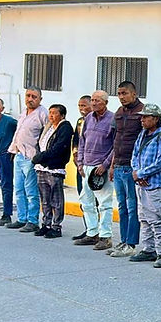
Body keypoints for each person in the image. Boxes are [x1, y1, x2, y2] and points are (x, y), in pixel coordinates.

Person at [129, 104, 161, 268]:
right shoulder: (143, 134)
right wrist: (136, 172)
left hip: (156, 185)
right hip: (141, 184)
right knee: (144, 218)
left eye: (146, 117)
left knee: (157, 220)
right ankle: (148, 249)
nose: (142, 119)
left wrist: (141, 174)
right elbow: (134, 155)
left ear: (155, 119)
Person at [75, 90, 115, 251]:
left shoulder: (112, 119)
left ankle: (105, 236)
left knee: (104, 203)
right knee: (86, 201)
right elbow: (82, 141)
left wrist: (105, 165)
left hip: (101, 168)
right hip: (87, 165)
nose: (93, 103)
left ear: (105, 102)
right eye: (92, 100)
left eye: (97, 100)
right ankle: (92, 233)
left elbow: (115, 145)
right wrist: (80, 162)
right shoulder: (88, 119)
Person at [108, 81, 145, 258]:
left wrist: (140, 169)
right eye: (119, 94)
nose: (121, 97)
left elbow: (145, 141)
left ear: (134, 94)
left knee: (132, 207)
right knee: (122, 206)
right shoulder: (119, 112)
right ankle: (123, 241)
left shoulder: (142, 112)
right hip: (119, 165)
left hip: (132, 167)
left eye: (124, 93)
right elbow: (116, 139)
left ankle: (131, 244)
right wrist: (112, 165)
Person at [6, 87, 49, 232]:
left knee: (31, 190)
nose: (30, 99)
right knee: (19, 189)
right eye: (28, 96)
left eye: (34, 96)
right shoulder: (23, 112)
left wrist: (40, 156)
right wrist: (13, 149)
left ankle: (32, 220)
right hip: (19, 155)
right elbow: (18, 133)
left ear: (40, 99)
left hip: (31, 157)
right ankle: (21, 218)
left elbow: (47, 135)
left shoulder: (43, 114)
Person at [31, 104, 74, 239]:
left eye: (54, 113)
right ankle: (46, 224)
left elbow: (59, 148)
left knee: (56, 199)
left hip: (54, 167)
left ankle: (56, 226)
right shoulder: (48, 127)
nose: (51, 115)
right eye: (50, 113)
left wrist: (42, 157)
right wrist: (39, 157)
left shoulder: (65, 128)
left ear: (62, 115)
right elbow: (40, 143)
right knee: (45, 199)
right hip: (42, 167)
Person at [72, 95, 92, 240]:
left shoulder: (97, 121)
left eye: (84, 105)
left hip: (93, 164)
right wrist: (75, 156)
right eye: (80, 106)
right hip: (80, 164)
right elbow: (76, 141)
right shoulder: (80, 122)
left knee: (95, 200)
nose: (82, 109)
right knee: (83, 197)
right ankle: (88, 228)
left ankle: (96, 230)